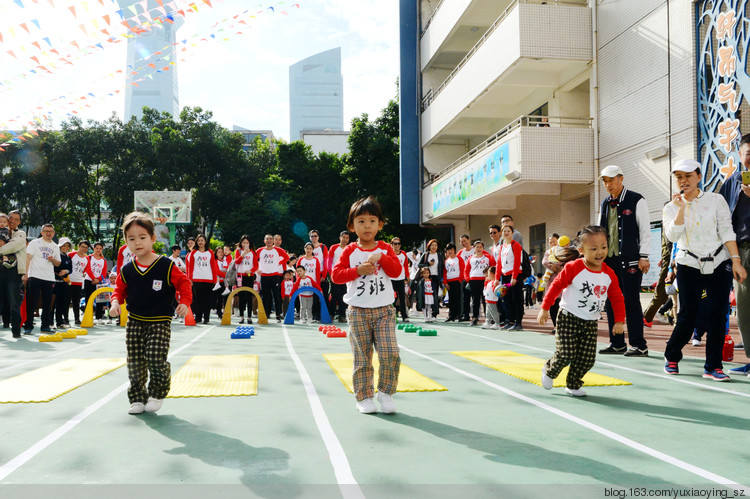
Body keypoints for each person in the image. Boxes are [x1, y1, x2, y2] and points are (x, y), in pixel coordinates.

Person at [662, 159, 747, 380]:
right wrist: (680, 210)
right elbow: (672, 236)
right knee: (688, 316)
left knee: (718, 315)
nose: (683, 181)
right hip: (688, 263)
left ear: (699, 177)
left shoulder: (716, 200)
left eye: (688, 176)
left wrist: (736, 260)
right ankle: (671, 355)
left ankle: (713, 366)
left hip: (719, 262)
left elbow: (727, 231)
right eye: (679, 177)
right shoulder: (671, 207)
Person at [110, 212, 192, 415]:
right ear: (126, 242)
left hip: (160, 321)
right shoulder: (127, 269)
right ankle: (137, 398)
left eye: (142, 237)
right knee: (135, 361)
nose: (137, 242)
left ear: (153, 238)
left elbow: (184, 282)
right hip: (135, 321)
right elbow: (119, 290)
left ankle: (157, 393)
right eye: (131, 239)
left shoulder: (165, 265)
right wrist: (114, 303)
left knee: (156, 358)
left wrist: (185, 303)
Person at [331, 196, 402, 414]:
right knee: (362, 357)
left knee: (390, 353)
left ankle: (386, 393)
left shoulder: (386, 249)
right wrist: (357, 271)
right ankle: (364, 397)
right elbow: (336, 276)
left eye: (372, 220)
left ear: (380, 224)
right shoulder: (349, 251)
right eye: (361, 221)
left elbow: (397, 272)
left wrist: (382, 257)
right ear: (352, 226)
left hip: (384, 312)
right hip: (358, 312)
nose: (367, 225)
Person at [538, 226, 625, 397]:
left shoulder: (609, 274)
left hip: (590, 321)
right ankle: (549, 371)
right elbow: (556, 286)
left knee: (587, 359)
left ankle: (573, 384)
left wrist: (619, 320)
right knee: (566, 353)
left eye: (604, 247)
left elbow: (617, 297)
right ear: (581, 250)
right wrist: (545, 308)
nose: (599, 252)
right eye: (593, 249)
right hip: (569, 316)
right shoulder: (574, 267)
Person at [597, 165, 651, 357]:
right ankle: (617, 343)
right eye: (605, 181)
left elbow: (645, 230)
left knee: (631, 301)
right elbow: (599, 230)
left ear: (621, 178)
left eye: (611, 180)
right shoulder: (604, 203)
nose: (608, 184)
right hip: (609, 261)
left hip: (630, 261)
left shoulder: (636, 199)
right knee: (611, 301)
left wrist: (644, 256)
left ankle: (639, 345)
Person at [720, 133, 750, 375]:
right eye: (748, 154)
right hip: (741, 252)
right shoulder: (732, 182)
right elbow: (720, 216)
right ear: (740, 155)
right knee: (745, 306)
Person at [24, 224, 61, 334]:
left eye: (50, 231)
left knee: (47, 304)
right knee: (32, 302)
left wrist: (53, 260)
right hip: (35, 276)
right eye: (46, 231)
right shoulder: (35, 243)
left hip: (49, 278)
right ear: (42, 232)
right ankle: (28, 326)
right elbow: (28, 258)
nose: (48, 233)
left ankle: (45, 325)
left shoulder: (55, 246)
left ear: (53, 233)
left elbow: (58, 263)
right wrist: (25, 274)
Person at [0, 210, 26, 338]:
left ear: (19, 222)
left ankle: (16, 331)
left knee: (14, 303)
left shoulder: (20, 234)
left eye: (16, 219)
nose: (13, 221)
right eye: (11, 218)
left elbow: (13, 247)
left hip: (14, 272)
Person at [187, 234, 222, 325]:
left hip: (208, 279)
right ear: (196, 242)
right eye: (198, 240)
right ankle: (198, 318)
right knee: (198, 300)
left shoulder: (210, 252)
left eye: (202, 240)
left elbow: (213, 267)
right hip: (197, 279)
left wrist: (214, 279)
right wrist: (189, 279)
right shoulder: (194, 253)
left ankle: (206, 318)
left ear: (205, 242)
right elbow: (190, 267)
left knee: (207, 299)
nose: (200, 242)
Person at [257, 234, 289, 323]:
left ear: (273, 241)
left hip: (275, 276)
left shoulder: (278, 250)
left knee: (277, 296)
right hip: (264, 276)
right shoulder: (260, 250)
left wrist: (279, 263)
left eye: (271, 239)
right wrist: (257, 269)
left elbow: (286, 257)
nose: (269, 241)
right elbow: (254, 259)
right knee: (265, 296)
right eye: (267, 239)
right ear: (264, 241)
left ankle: (278, 314)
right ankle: (266, 314)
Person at [498, 224, 525, 331]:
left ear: (512, 233)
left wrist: (514, 277)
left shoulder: (516, 245)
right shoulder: (502, 247)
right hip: (504, 276)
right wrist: (496, 278)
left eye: (508, 231)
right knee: (507, 300)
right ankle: (510, 321)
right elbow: (499, 263)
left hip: (515, 276)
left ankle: (518, 323)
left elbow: (517, 262)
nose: (506, 233)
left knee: (516, 300)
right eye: (504, 231)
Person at [464, 240, 496, 326]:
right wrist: (468, 279)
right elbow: (466, 270)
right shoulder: (471, 258)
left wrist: (491, 278)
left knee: (486, 299)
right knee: (475, 300)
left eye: (480, 247)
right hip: (473, 280)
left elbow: (492, 268)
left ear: (483, 248)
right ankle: (474, 318)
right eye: (477, 247)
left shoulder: (487, 257)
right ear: (474, 248)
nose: (479, 249)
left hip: (485, 280)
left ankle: (488, 318)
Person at [234, 235, 258, 324]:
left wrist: (250, 271)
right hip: (240, 276)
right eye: (244, 243)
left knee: (249, 296)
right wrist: (243, 254)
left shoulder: (252, 252)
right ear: (241, 243)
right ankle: (241, 316)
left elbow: (256, 265)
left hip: (249, 276)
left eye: (247, 243)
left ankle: (249, 316)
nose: (245, 244)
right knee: (241, 297)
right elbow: (237, 261)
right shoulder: (238, 251)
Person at [418, 239, 444, 319]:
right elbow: (419, 265)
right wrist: (428, 264)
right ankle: (426, 312)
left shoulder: (439, 255)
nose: (434, 247)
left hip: (435, 277)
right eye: (432, 245)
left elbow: (442, 267)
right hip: (426, 277)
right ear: (429, 246)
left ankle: (434, 313)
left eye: (435, 245)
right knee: (426, 295)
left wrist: (441, 279)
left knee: (435, 296)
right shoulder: (426, 254)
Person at [328, 231, 350, 322]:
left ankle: (342, 316)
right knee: (334, 296)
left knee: (344, 296)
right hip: (335, 275)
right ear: (340, 237)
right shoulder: (334, 247)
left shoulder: (350, 248)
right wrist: (330, 273)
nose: (345, 239)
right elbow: (329, 261)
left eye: (347, 238)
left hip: (345, 275)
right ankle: (331, 315)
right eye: (343, 237)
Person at [308, 229, 330, 321]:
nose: (314, 238)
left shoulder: (323, 247)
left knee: (324, 295)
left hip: (321, 274)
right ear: (310, 237)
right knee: (314, 296)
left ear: (318, 237)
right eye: (312, 236)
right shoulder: (308, 247)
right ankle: (315, 315)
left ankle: (325, 315)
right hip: (312, 274)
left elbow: (326, 262)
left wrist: (324, 275)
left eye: (315, 236)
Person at [52, 237, 73, 329]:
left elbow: (70, 269)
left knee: (61, 303)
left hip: (64, 283)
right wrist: (60, 271)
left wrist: (66, 271)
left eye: (68, 246)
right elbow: (54, 267)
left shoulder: (68, 257)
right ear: (60, 246)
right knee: (52, 303)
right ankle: (49, 322)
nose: (66, 247)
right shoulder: (56, 255)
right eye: (64, 245)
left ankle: (59, 322)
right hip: (54, 282)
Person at [68, 240, 90, 326]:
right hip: (69, 281)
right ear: (79, 246)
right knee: (66, 301)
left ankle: (77, 319)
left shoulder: (87, 258)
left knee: (76, 301)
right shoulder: (71, 255)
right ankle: (65, 319)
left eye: (86, 248)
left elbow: (84, 270)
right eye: (82, 247)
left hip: (79, 282)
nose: (84, 249)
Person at [443, 242, 464, 322]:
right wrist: (445, 282)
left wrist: (459, 280)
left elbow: (462, 270)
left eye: (451, 249)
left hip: (457, 281)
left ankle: (459, 315)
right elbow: (445, 272)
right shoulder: (446, 261)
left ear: (454, 250)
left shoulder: (459, 259)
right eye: (448, 250)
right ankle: (451, 315)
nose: (450, 251)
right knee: (451, 300)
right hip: (449, 282)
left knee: (458, 299)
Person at [390, 237, 410, 322]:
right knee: (391, 298)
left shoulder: (403, 254)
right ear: (392, 245)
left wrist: (407, 276)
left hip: (400, 278)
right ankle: (392, 315)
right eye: (395, 244)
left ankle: (404, 316)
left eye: (399, 243)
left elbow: (405, 265)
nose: (397, 245)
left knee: (402, 297)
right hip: (391, 278)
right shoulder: (389, 253)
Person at [456, 234, 473, 321]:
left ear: (469, 240)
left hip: (475, 277)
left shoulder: (475, 250)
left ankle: (476, 315)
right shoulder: (460, 253)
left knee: (476, 298)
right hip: (464, 278)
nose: (463, 243)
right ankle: (465, 315)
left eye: (465, 240)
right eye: (461, 242)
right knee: (465, 298)